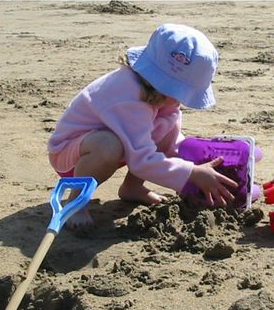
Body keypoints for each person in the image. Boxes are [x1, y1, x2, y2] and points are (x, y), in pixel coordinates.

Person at [47, 23, 237, 228]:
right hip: (72, 155)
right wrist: (190, 173)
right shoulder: (128, 96)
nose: (181, 100)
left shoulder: (161, 97)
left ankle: (132, 188)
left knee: (162, 127)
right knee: (108, 145)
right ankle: (76, 202)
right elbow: (142, 159)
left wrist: (198, 162)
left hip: (123, 143)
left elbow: (170, 142)